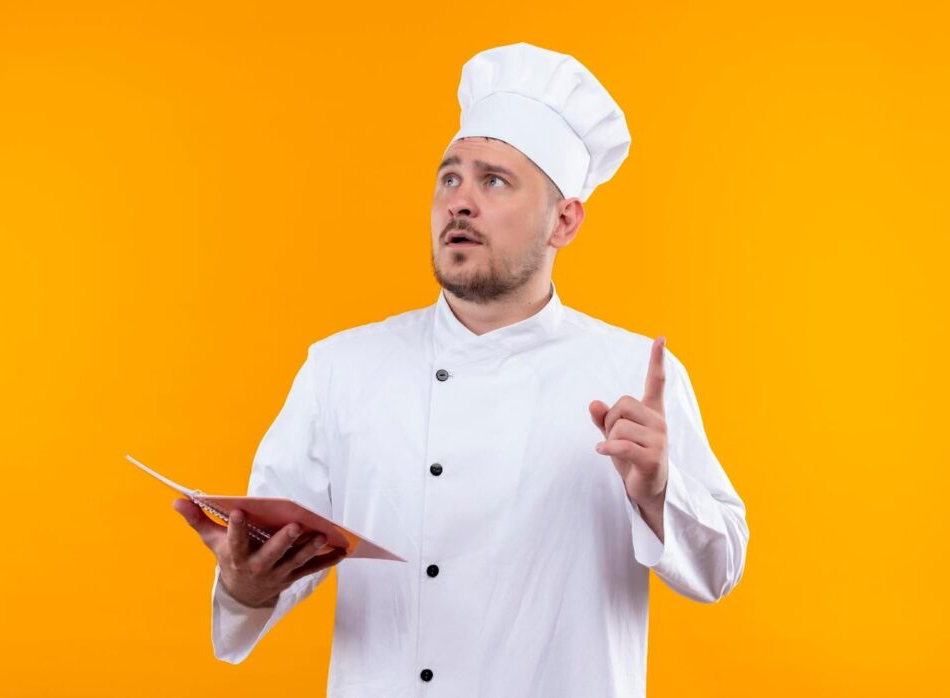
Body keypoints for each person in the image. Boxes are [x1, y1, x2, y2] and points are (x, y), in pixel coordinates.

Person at [174, 41, 749, 697]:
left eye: (494, 180)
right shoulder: (341, 368)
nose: (460, 202)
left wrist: (658, 492)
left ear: (564, 221)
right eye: (450, 177)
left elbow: (721, 569)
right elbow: (274, 558)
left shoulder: (632, 372)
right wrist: (244, 586)